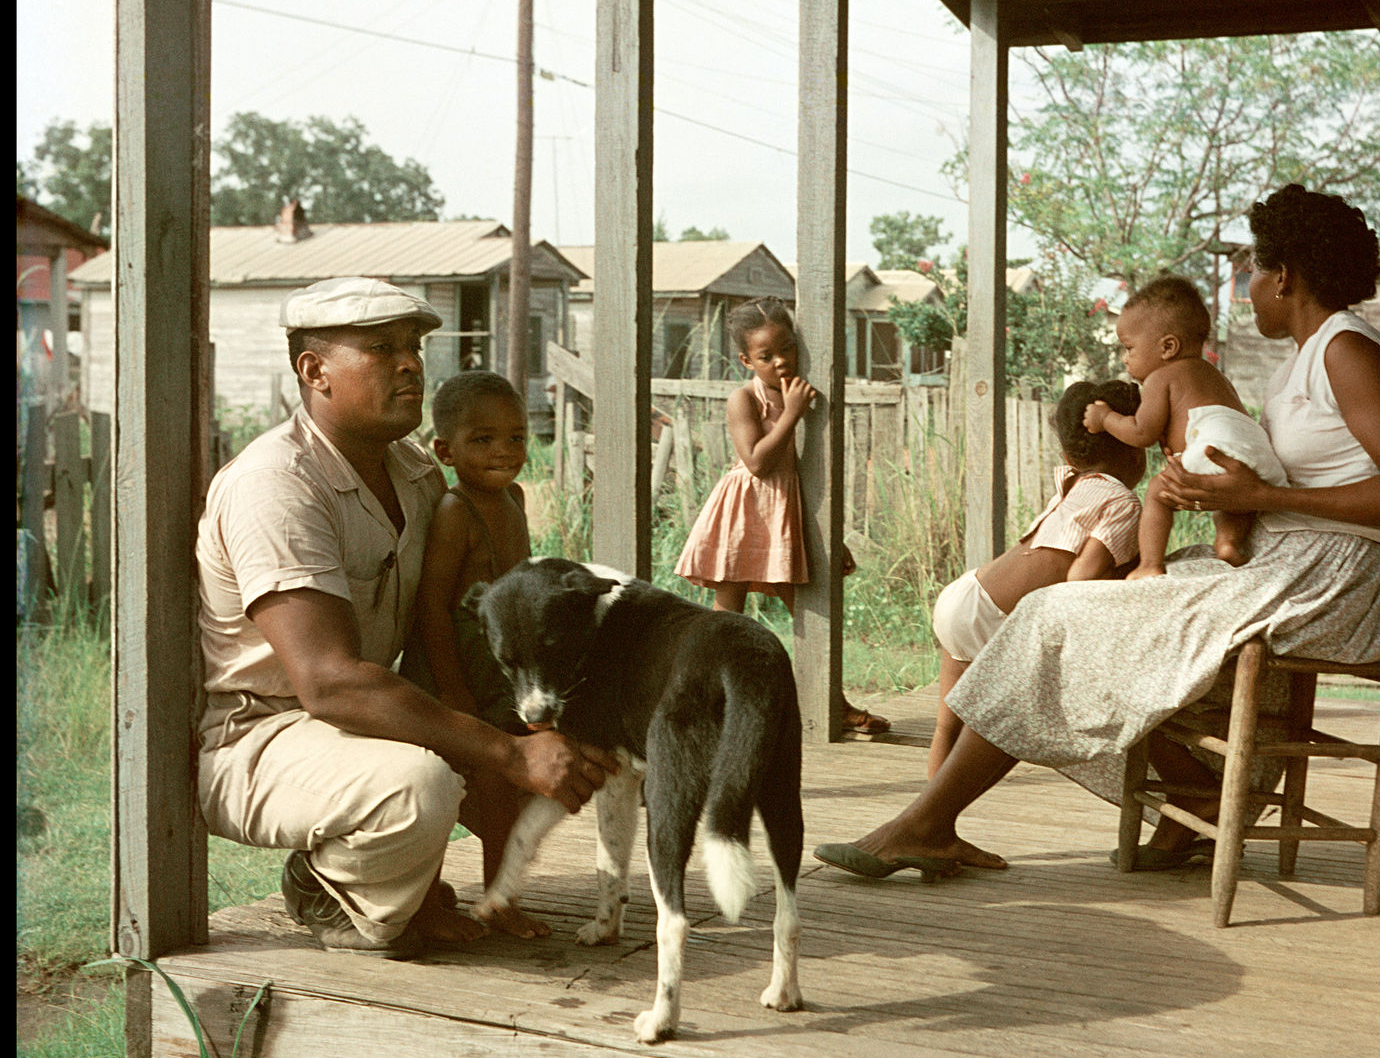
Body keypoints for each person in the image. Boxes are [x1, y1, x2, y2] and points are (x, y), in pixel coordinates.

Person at [813, 184, 1380, 881]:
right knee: (1075, 613)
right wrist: (1206, 490)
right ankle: (1185, 798)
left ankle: (926, 822)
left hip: (1330, 578)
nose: (1249, 290)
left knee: (1061, 615)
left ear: (1285, 275)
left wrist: (1261, 493)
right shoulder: (1306, 357)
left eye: (1253, 274)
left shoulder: (1346, 350)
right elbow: (1281, 486)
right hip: (1284, 559)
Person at [195, 277, 617, 958]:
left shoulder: (416, 473)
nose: (411, 363)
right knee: (420, 783)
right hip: (259, 733)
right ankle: (327, 885)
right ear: (315, 371)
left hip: (364, 717)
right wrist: (507, 752)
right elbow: (328, 682)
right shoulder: (276, 482)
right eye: (381, 348)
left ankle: (402, 882)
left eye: (415, 346)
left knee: (527, 746)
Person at [674, 297, 890, 736]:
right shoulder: (744, 399)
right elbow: (757, 462)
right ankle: (705, 706)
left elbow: (806, 480)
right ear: (746, 360)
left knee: (809, 611)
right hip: (742, 512)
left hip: (786, 516)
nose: (779, 362)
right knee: (727, 615)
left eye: (786, 349)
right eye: (765, 356)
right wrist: (791, 414)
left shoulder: (804, 393)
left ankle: (832, 703)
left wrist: (830, 536)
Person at [922, 379, 1144, 778]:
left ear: (1067, 452)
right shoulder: (1123, 501)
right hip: (991, 617)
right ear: (1134, 449)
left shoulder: (1074, 485)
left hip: (966, 594)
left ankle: (922, 819)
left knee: (947, 725)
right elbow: (1081, 578)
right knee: (1007, 723)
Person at [396, 370, 547, 936]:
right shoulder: (457, 512)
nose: (504, 452)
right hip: (450, 670)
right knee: (446, 783)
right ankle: (424, 900)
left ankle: (499, 897)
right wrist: (453, 693)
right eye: (482, 440)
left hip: (497, 671)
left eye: (516, 437)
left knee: (500, 786)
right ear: (444, 449)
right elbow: (433, 609)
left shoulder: (513, 498)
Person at [1084, 275, 1287, 577]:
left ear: (1167, 347)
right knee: (1232, 503)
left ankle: (1150, 565)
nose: (1125, 359)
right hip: (1257, 452)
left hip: (1214, 448)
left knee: (1157, 491)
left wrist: (1105, 419)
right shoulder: (1215, 376)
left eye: (1129, 348)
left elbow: (1142, 432)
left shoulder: (1161, 377)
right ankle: (1229, 543)